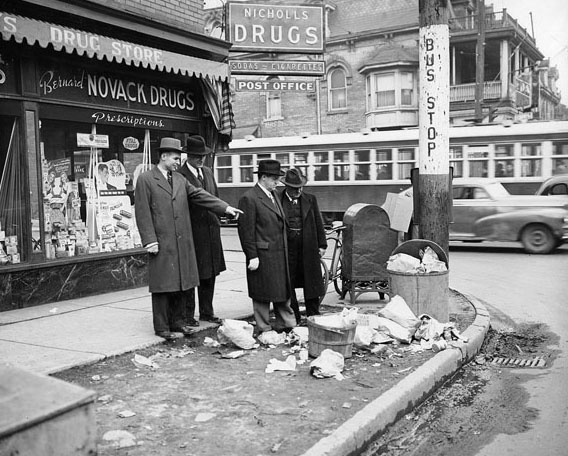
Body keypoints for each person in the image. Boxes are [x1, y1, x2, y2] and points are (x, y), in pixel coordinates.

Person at [135, 137, 242, 340]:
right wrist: (150, 240)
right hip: (161, 241)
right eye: (175, 158)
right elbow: (142, 212)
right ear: (164, 156)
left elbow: (201, 195)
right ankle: (162, 327)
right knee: (162, 286)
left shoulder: (180, 180)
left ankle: (178, 322)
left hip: (182, 241)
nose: (178, 162)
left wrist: (225, 208)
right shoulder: (146, 179)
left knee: (180, 284)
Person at [237, 159, 296, 335]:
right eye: (274, 179)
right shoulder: (249, 198)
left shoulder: (274, 195)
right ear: (263, 177)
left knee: (281, 290)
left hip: (278, 252)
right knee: (262, 293)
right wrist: (251, 255)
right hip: (262, 254)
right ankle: (263, 327)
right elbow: (246, 231)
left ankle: (286, 323)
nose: (277, 183)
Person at [178, 135, 224, 326]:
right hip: (193, 233)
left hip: (211, 231)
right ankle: (189, 315)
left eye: (203, 155)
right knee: (192, 275)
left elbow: (215, 197)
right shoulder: (180, 176)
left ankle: (207, 311)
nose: (201, 159)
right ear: (188, 155)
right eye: (197, 156)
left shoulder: (207, 172)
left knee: (210, 274)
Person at [277, 168, 327, 323]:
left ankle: (313, 314)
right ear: (287, 187)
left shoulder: (310, 199)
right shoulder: (278, 199)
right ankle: (294, 316)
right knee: (288, 281)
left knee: (311, 280)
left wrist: (322, 245)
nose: (298, 191)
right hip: (287, 247)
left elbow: (318, 222)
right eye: (294, 188)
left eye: (300, 187)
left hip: (308, 246)